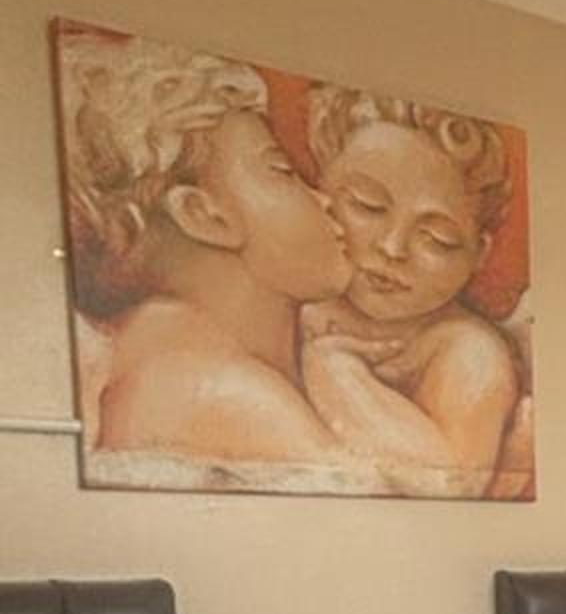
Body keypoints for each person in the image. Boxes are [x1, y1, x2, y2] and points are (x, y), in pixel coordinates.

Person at [61, 33, 351, 475]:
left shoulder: (150, 356)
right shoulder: (232, 397)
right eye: (282, 171)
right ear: (204, 215)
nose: (324, 200)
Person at [298, 88, 525, 498]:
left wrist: (339, 374)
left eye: (437, 239)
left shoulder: (468, 350)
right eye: (367, 206)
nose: (392, 248)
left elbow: (451, 482)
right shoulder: (292, 301)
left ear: (478, 253)